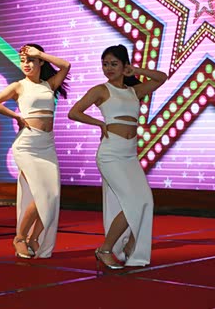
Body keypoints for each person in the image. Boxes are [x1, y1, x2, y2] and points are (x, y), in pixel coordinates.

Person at [68, 45, 167, 270]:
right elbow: (74, 112)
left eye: (114, 64)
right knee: (134, 201)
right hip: (110, 154)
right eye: (105, 64)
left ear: (124, 66)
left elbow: (161, 78)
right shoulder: (101, 90)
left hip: (130, 155)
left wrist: (136, 70)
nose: (109, 68)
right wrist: (99, 123)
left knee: (145, 200)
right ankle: (105, 249)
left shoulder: (134, 91)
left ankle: (131, 245)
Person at [0, 44, 70, 259]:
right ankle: (20, 238)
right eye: (23, 60)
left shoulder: (49, 85)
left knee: (52, 196)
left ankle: (34, 238)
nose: (26, 64)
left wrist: (39, 53)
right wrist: (16, 116)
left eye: (31, 60)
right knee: (42, 194)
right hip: (27, 145)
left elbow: (66, 65)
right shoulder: (19, 86)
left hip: (47, 145)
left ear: (40, 61)